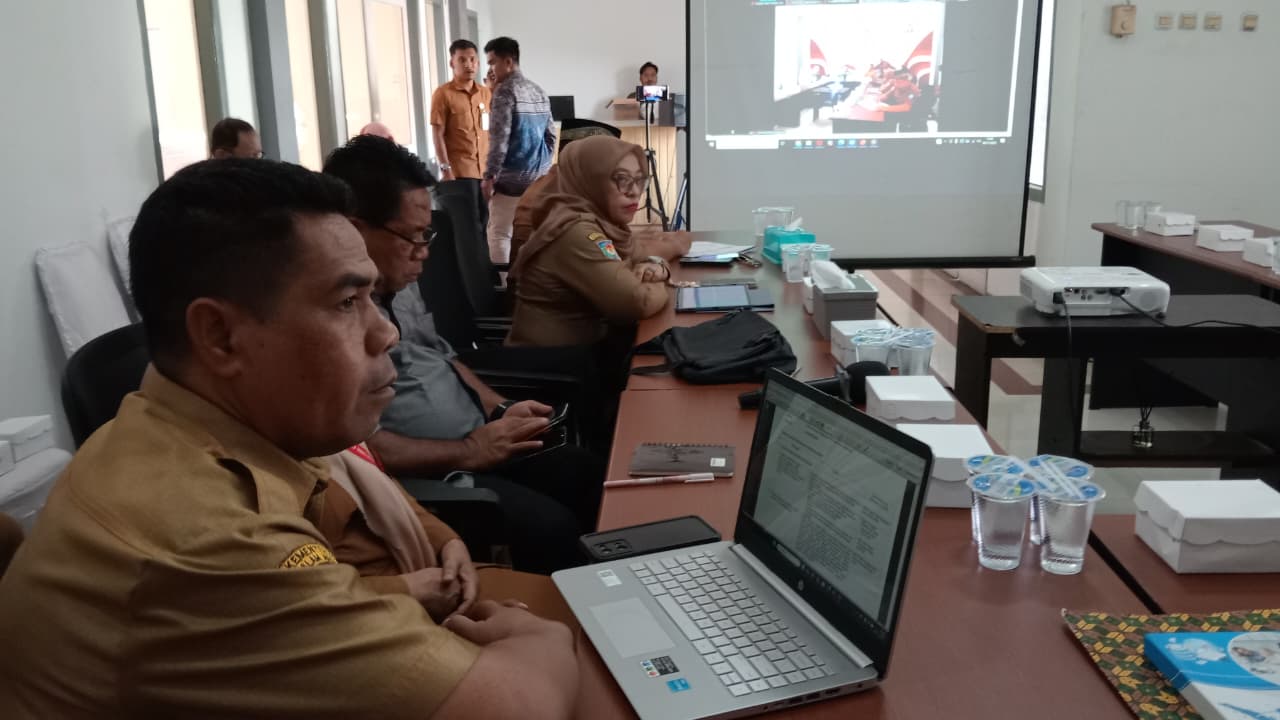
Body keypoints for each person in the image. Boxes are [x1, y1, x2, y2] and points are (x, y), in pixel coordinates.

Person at [0, 158, 578, 718]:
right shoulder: (206, 539)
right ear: (220, 336)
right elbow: (514, 707)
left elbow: (360, 475)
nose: (386, 333)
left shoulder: (216, 426)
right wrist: (546, 639)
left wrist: (439, 537)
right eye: (346, 303)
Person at [322, 136, 602, 574]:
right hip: (434, 471)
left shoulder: (400, 280)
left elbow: (444, 358)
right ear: (355, 231)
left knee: (586, 472)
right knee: (554, 529)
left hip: (476, 439)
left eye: (426, 234)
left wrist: (499, 409)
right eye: (412, 237)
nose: (424, 252)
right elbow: (357, 447)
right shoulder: (328, 324)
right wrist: (469, 450)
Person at [506, 135, 671, 348]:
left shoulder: (606, 222)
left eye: (639, 180)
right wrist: (661, 282)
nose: (634, 191)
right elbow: (638, 303)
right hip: (551, 363)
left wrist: (658, 267)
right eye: (622, 179)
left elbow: (643, 256)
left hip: (584, 351)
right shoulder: (574, 230)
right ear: (591, 180)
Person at [482, 36, 556, 264]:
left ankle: (505, 283)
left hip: (510, 183)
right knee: (534, 234)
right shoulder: (538, 91)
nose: (490, 69)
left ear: (508, 61)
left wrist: (489, 177)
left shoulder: (504, 92)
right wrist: (542, 167)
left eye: (492, 62)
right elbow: (551, 136)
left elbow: (499, 140)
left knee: (500, 234)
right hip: (538, 180)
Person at [431, 39, 492, 227]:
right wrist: (445, 169)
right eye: (462, 60)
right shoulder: (443, 94)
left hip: (485, 172)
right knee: (467, 227)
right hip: (460, 173)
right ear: (452, 63)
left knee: (487, 224)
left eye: (472, 59)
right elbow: (437, 134)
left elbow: (491, 132)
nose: (468, 64)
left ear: (478, 63)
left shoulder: (485, 93)